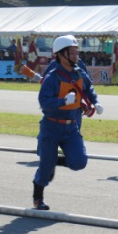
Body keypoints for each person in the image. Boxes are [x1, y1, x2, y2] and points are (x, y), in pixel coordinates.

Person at [32, 35, 103, 210]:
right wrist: (62, 102)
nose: (75, 56)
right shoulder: (52, 78)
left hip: (71, 127)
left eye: (76, 52)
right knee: (46, 167)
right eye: (71, 52)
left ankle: (52, 161)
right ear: (60, 55)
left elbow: (88, 87)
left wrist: (96, 101)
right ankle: (38, 197)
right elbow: (44, 103)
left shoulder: (79, 72)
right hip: (51, 126)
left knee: (79, 162)